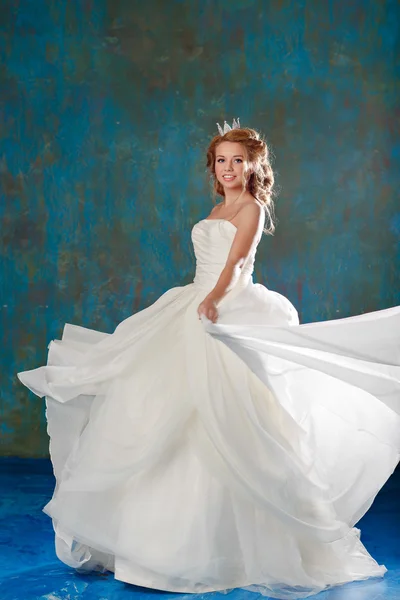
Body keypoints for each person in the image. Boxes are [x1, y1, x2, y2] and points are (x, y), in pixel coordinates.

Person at [17, 120, 400, 599]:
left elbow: (238, 263)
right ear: (213, 168)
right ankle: (151, 544)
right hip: (192, 301)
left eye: (238, 160)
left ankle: (223, 548)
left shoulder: (252, 208)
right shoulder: (217, 207)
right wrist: (202, 297)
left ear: (254, 165)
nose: (229, 168)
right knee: (157, 408)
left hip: (222, 305)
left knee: (227, 417)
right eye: (222, 160)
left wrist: (214, 299)